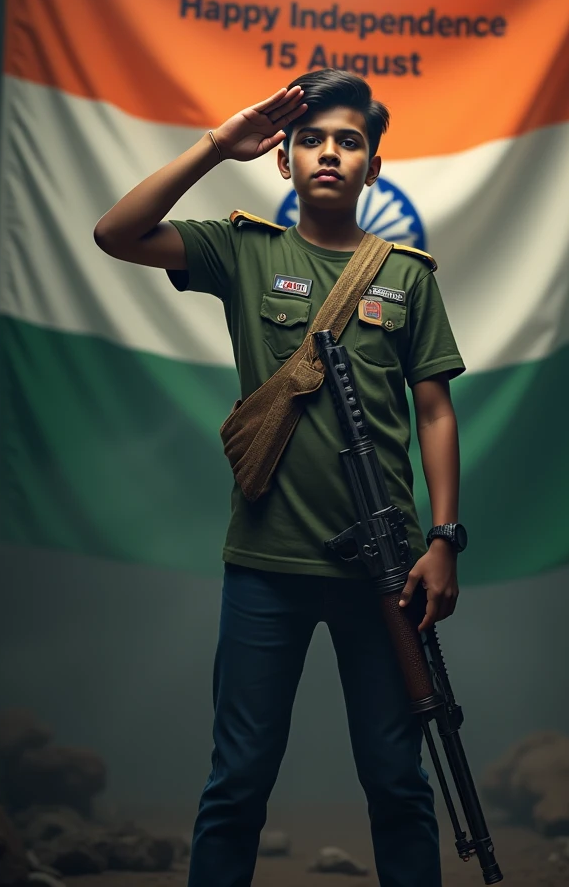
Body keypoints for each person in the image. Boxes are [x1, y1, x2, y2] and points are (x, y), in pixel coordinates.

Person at [94, 68, 467, 887]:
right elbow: (116, 234)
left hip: (387, 572)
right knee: (237, 784)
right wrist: (213, 147)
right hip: (266, 565)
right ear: (285, 158)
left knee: (398, 785)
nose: (328, 153)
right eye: (311, 139)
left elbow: (435, 412)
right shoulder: (245, 250)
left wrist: (443, 540)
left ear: (374, 164)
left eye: (348, 141)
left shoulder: (407, 276)